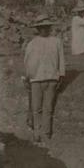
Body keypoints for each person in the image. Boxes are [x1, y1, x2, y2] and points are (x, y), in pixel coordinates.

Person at [24, 15, 65, 144]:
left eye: (46, 27)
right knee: (38, 109)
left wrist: (61, 75)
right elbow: (27, 63)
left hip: (50, 79)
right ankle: (38, 133)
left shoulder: (56, 41)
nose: (44, 30)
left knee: (47, 108)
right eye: (42, 28)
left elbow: (61, 60)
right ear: (38, 29)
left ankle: (46, 133)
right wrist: (27, 77)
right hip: (37, 79)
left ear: (49, 28)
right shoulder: (32, 43)